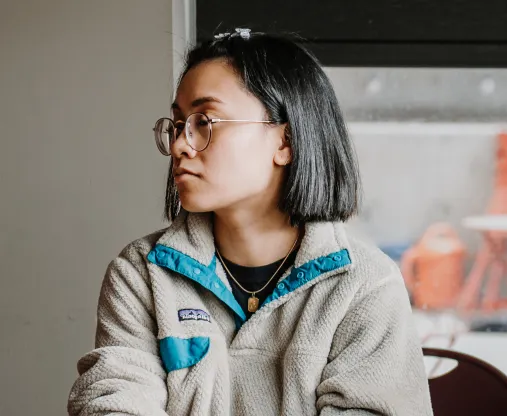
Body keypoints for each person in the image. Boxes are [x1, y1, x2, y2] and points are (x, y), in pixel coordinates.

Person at [67, 29, 432, 416]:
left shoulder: (366, 287)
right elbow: (112, 403)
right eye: (177, 124)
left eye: (204, 121)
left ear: (285, 141)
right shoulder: (141, 274)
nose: (179, 145)